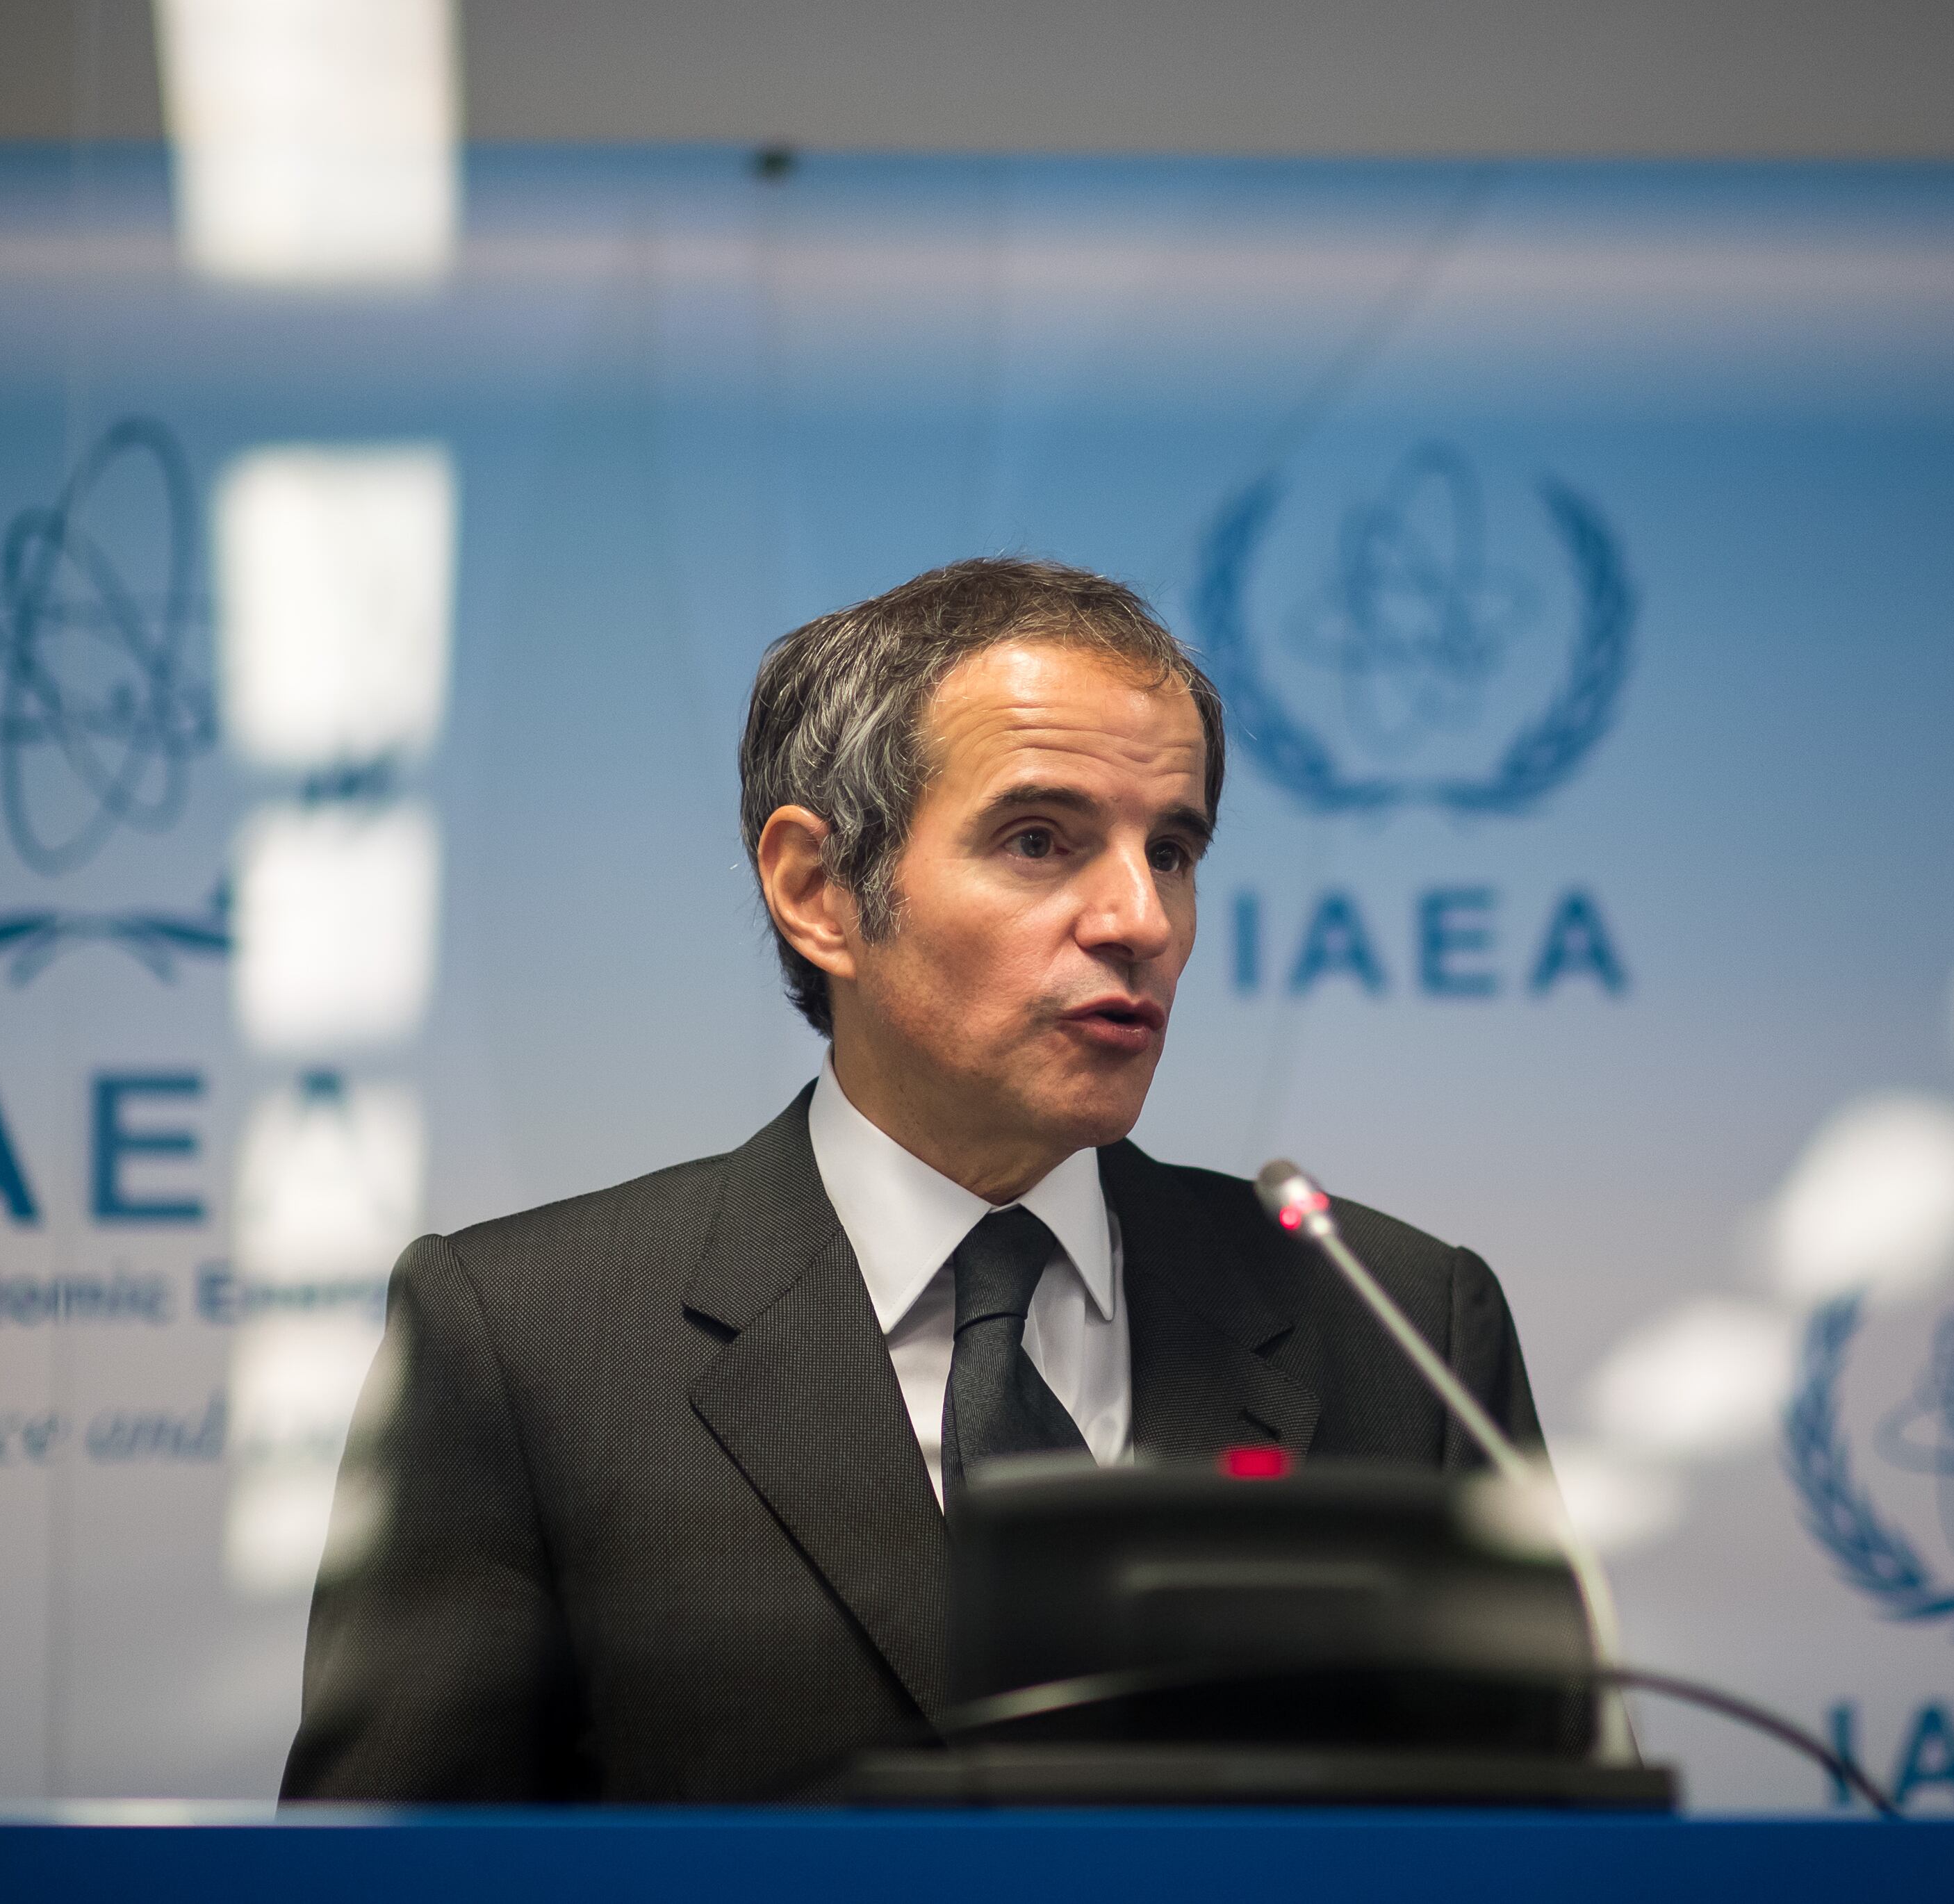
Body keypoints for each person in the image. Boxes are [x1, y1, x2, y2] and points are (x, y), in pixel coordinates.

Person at [279, 557, 1544, 1802]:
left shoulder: (1403, 1325)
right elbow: (387, 1884)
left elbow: (1549, 1856)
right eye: (1041, 839)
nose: (1142, 920)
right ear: (818, 891)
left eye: (1171, 850)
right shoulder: (530, 1342)